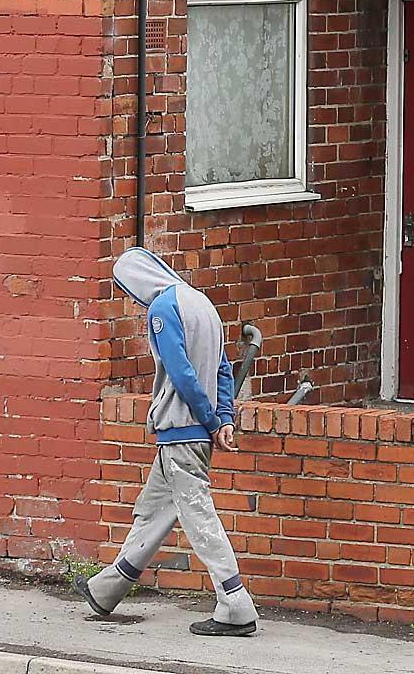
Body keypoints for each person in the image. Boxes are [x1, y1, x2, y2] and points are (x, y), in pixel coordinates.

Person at [79, 247, 258, 637]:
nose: (133, 299)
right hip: (191, 433)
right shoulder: (201, 303)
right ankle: (108, 589)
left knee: (198, 516)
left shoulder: (162, 308)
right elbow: (223, 369)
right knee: (153, 510)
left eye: (129, 291)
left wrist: (210, 421)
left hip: (181, 430)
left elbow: (180, 372)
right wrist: (223, 418)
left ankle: (236, 604)